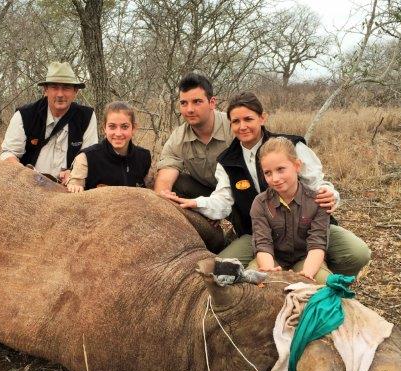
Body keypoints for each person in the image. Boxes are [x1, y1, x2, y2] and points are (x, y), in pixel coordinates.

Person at [165, 91, 370, 277]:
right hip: (258, 233)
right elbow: (223, 201)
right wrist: (197, 204)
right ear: (230, 125)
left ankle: (325, 274)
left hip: (305, 228)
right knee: (218, 268)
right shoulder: (226, 161)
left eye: (248, 119)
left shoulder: (290, 146)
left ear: (262, 118)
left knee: (358, 254)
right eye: (236, 121)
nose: (242, 126)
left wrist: (330, 194)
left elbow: (317, 184)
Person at [249, 137, 331, 283]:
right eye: (268, 173)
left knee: (325, 284)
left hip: (305, 259)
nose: (275, 178)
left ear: (297, 166)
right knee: (251, 282)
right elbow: (263, 244)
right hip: (273, 259)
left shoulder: (318, 199)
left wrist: (306, 274)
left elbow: (317, 244)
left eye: (281, 169)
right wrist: (270, 272)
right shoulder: (260, 203)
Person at [0, 61, 98, 183]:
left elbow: (90, 157)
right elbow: (8, 153)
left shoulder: (87, 116)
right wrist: (25, 174)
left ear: (75, 92)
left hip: (69, 188)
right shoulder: (25, 115)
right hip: (30, 185)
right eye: (54, 87)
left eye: (66, 88)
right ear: (45, 90)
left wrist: (75, 174)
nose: (60, 94)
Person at [154, 73, 232, 199]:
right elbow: (166, 174)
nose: (189, 109)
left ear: (212, 103)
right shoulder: (178, 137)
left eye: (197, 102)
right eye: (184, 103)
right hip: (208, 194)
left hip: (239, 191)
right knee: (178, 183)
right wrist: (163, 196)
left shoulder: (233, 126)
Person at [66, 101, 151, 193]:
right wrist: (74, 185)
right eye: (112, 127)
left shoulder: (144, 157)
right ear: (104, 128)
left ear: (133, 128)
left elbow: (149, 191)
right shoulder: (86, 157)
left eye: (124, 127)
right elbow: (74, 187)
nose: (118, 133)